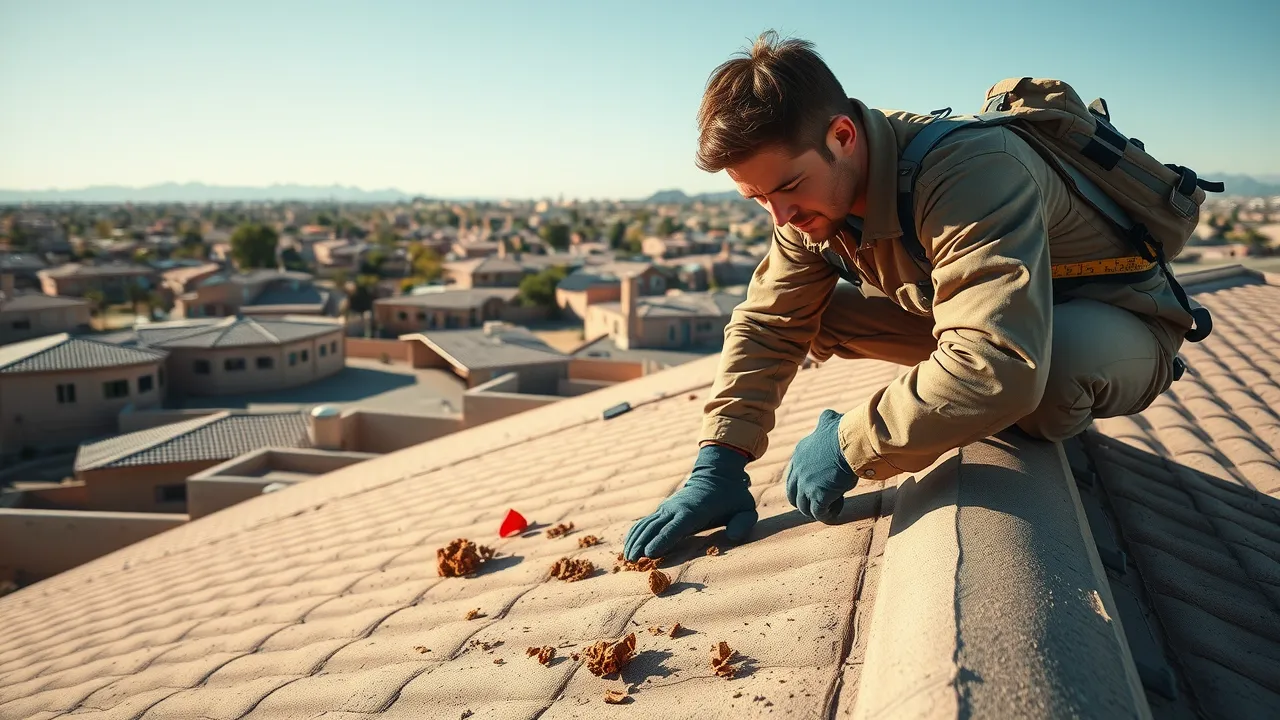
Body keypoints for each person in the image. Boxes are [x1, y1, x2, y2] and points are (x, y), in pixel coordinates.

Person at [622, 31, 1198, 562]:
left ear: (842, 137)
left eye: (789, 187)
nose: (782, 216)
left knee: (1040, 384)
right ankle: (950, 396)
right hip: (995, 317)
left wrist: (851, 443)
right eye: (757, 198)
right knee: (812, 314)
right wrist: (718, 462)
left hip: (1122, 322)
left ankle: (962, 398)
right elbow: (769, 324)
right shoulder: (806, 209)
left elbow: (999, 364)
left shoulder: (970, 171)